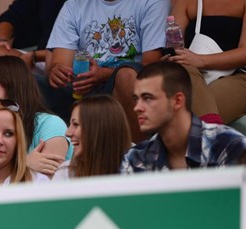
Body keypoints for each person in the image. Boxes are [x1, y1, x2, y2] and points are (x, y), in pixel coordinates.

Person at [43, 0, 168, 142]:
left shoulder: (151, 2)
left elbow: (151, 65)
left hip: (123, 82)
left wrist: (104, 74)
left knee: (126, 75)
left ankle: (138, 153)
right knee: (22, 79)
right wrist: (58, 72)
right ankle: (44, 155)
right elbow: (60, 62)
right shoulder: (74, 5)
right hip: (81, 83)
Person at [121, 61, 246, 173]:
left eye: (147, 98)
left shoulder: (228, 145)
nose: (137, 107)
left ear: (177, 101)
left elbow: (238, 200)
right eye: (136, 99)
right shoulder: (134, 159)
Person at [170, 0, 246, 124]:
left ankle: (207, 133)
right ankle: (207, 135)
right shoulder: (186, 2)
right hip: (194, 76)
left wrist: (200, 60)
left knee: (194, 106)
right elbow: (174, 46)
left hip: (241, 76)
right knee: (181, 75)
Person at [0, 55, 71, 177]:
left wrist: (19, 167)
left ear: (10, 83)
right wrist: (25, 165)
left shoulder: (50, 124)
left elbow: (47, 183)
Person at [53, 95, 132, 181]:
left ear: (100, 129)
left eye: (75, 124)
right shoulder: (65, 173)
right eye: (70, 125)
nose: (67, 133)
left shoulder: (139, 169)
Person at [0, 0, 65, 71]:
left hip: (65, 61)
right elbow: (12, 16)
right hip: (39, 57)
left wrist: (35, 56)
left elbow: (72, 52)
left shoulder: (74, 6)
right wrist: (2, 41)